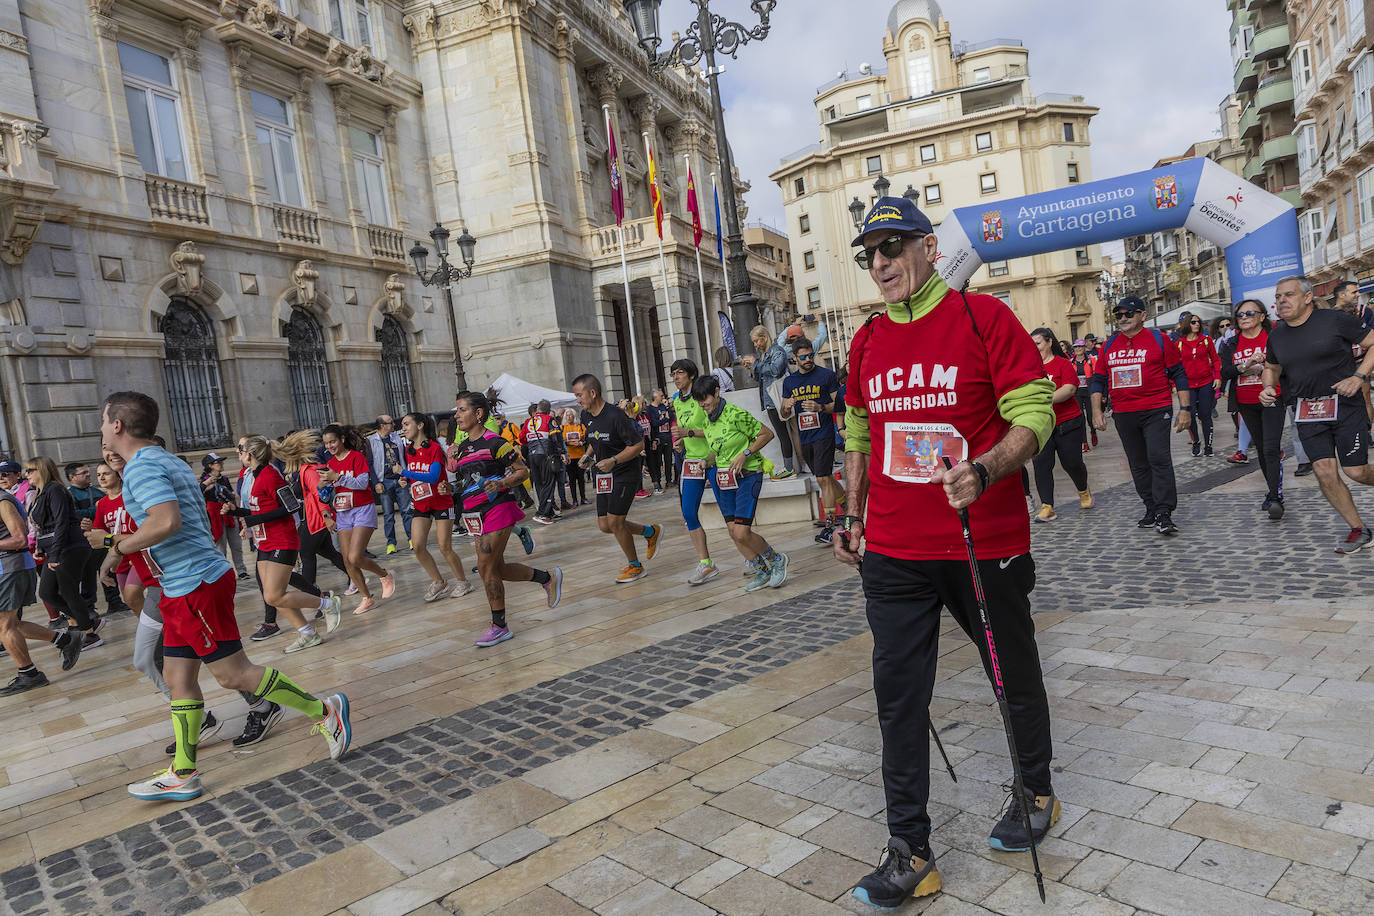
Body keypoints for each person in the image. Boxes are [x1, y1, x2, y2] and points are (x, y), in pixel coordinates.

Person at [835, 195, 1059, 907]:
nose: (881, 263)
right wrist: (851, 513)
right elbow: (860, 434)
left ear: (929, 247)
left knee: (1009, 671)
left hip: (980, 540)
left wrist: (986, 470)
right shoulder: (867, 341)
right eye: (870, 253)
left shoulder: (982, 317)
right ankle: (911, 851)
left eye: (894, 246)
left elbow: (1035, 411)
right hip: (895, 553)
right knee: (898, 699)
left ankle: (1036, 788)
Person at [99, 392, 351, 801]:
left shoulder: (143, 467)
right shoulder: (162, 461)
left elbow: (165, 521)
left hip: (193, 584)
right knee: (178, 679)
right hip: (182, 585)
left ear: (117, 426)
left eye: (103, 420)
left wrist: (116, 546)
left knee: (233, 673)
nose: (101, 427)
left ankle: (326, 712)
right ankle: (183, 772)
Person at [1261, 276, 1374, 552]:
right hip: (1307, 410)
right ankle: (1358, 529)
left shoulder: (1334, 320)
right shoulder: (1277, 334)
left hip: (1344, 404)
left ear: (1308, 297)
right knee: (1324, 472)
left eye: (1288, 295)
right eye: (1277, 297)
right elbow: (1272, 366)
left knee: (1356, 470)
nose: (1281, 301)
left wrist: (1359, 377)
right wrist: (1267, 387)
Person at [450, 391, 562, 647]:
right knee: (495, 568)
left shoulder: (496, 442)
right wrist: (452, 489)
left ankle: (499, 626)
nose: (456, 415)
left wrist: (500, 482)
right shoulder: (465, 447)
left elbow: (523, 471)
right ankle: (547, 578)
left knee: (485, 566)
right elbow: (467, 481)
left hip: (499, 507)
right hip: (474, 514)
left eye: (461, 410)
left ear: (478, 414)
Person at [225, 435, 342, 653]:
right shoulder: (253, 475)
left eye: (240, 450)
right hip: (264, 541)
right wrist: (237, 512)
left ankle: (326, 603)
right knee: (273, 595)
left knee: (273, 595)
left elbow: (290, 507)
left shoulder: (270, 475)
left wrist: (253, 520)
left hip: (282, 540)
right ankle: (308, 633)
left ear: (249, 454)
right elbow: (260, 510)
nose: (238, 453)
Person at [1090, 296, 1192, 535]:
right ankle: (1151, 507)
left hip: (1156, 409)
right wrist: (1096, 412)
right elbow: (1098, 380)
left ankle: (1164, 511)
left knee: (1158, 458)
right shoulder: (1108, 345)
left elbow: (1179, 373)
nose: (1123, 319)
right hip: (1124, 414)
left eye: (1129, 314)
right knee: (1138, 464)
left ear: (1142, 316)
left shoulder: (1160, 339)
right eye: (1119, 315)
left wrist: (1185, 409)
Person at [692, 374, 789, 591]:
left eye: (705, 399)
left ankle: (776, 560)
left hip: (748, 475)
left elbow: (766, 434)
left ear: (716, 392)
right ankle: (762, 571)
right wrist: (705, 460)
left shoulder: (735, 414)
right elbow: (715, 451)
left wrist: (745, 453)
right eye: (699, 401)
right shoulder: (708, 421)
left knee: (742, 532)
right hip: (725, 480)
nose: (702, 405)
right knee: (732, 531)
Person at [572, 374, 661, 583]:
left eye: (579, 395)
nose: (577, 400)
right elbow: (595, 438)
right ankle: (650, 532)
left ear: (592, 393)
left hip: (625, 472)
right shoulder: (586, 416)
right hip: (604, 475)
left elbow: (638, 445)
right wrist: (588, 455)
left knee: (615, 521)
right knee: (605, 525)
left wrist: (613, 460)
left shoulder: (616, 416)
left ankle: (635, 566)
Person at [0, 474, 83, 695]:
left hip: (11, 568)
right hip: (6, 569)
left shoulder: (2, 501)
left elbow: (19, 539)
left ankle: (29, 675)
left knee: (5, 625)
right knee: (11, 625)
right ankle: (64, 640)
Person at [395, 411, 474, 602]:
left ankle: (463, 581)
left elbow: (432, 476)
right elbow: (417, 474)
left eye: (406, 424)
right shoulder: (408, 450)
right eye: (403, 425)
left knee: (444, 546)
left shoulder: (434, 448)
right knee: (418, 546)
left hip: (441, 501)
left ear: (420, 425)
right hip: (421, 502)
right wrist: (405, 478)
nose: (403, 428)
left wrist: (404, 471)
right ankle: (438, 581)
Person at [320, 424, 396, 614]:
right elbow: (328, 492)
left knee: (355, 556)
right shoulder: (329, 464)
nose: (329, 446)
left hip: (362, 509)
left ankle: (384, 575)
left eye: (333, 441)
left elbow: (362, 484)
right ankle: (367, 597)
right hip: (343, 512)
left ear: (342, 439)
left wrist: (337, 477)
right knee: (347, 561)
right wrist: (324, 490)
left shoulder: (356, 457)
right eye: (326, 443)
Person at [27, 457, 103, 647]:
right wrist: (40, 548)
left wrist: (53, 553)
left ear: (42, 470)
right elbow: (41, 526)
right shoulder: (39, 493)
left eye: (30, 470)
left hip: (69, 546)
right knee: (47, 592)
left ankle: (90, 634)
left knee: (68, 591)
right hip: (55, 548)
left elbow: (61, 522)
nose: (26, 474)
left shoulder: (55, 489)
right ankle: (88, 620)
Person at [1220, 300, 1285, 520]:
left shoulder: (1274, 337)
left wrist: (1265, 368)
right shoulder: (1231, 343)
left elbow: (1286, 364)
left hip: (1272, 397)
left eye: (1250, 313)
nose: (1244, 317)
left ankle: (1276, 497)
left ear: (1262, 316)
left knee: (1270, 448)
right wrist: (1245, 367)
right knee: (1261, 448)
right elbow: (1225, 371)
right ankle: (1272, 489)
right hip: (1246, 402)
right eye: (1240, 314)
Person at [779, 337, 843, 543]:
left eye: (810, 355)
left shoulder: (827, 375)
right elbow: (783, 412)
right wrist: (786, 406)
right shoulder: (789, 382)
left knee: (823, 478)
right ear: (795, 358)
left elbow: (839, 405)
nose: (808, 359)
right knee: (826, 478)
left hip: (824, 433)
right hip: (804, 436)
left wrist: (821, 407)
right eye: (803, 357)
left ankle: (831, 526)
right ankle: (849, 507)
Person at [1029, 328, 1092, 521]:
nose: (1035, 347)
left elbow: (1069, 389)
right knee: (1041, 465)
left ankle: (1083, 491)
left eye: (1038, 343)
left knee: (1072, 463)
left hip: (1067, 422)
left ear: (1049, 342)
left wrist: (1042, 400)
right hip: (1041, 425)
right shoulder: (1029, 367)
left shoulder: (1062, 363)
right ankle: (1047, 506)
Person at [668, 359, 721, 586]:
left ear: (691, 376)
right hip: (690, 461)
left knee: (728, 511)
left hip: (714, 458)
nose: (676, 377)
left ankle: (751, 557)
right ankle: (706, 563)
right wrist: (681, 441)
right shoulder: (676, 400)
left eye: (680, 373)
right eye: (673, 373)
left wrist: (688, 432)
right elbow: (683, 427)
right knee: (689, 512)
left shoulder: (702, 394)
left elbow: (714, 430)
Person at [68, 462, 129, 618]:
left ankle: (114, 601)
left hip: (113, 541)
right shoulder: (69, 494)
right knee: (87, 573)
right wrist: (94, 511)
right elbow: (74, 514)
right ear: (72, 477)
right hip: (84, 541)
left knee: (113, 574)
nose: (90, 476)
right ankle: (88, 606)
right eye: (84, 473)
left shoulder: (98, 493)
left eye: (89, 472)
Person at [739, 326, 798, 478]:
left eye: (756, 341)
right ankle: (791, 466)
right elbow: (762, 378)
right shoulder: (766, 354)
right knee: (783, 434)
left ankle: (791, 468)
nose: (755, 345)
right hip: (771, 400)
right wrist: (752, 369)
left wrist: (756, 363)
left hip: (779, 398)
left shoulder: (777, 351)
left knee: (788, 434)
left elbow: (775, 370)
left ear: (764, 337)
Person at [364, 416, 413, 555]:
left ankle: (411, 539)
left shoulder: (397, 438)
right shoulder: (371, 440)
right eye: (390, 423)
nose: (393, 424)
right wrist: (376, 482)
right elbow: (370, 464)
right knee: (388, 514)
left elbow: (403, 457)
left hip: (399, 479)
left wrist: (405, 474)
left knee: (406, 510)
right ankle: (391, 542)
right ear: (382, 425)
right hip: (384, 480)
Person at [1178, 315, 1222, 457]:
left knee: (1205, 414)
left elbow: (1216, 359)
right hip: (1188, 385)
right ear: (1186, 324)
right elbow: (1174, 366)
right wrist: (1174, 384)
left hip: (1205, 383)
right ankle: (1196, 442)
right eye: (1193, 322)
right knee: (1189, 415)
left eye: (1198, 322)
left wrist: (1218, 378)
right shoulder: (1179, 344)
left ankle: (1208, 446)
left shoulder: (1206, 340)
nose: (1197, 324)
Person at [200, 455, 249, 579]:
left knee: (236, 543)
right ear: (210, 465)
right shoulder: (204, 481)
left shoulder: (225, 479)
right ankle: (224, 572)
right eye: (218, 462)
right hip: (215, 516)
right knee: (220, 546)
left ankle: (241, 570)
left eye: (221, 462)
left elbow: (232, 495)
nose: (221, 464)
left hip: (229, 512)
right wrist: (206, 488)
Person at [1333, 280, 1374, 423]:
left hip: (1361, 362)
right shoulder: (1330, 315)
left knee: (1365, 395)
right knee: (1344, 399)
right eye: (1354, 292)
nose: (1358, 294)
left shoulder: (1364, 311)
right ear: (1342, 295)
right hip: (1339, 364)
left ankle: (1367, 432)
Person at [521, 400, 559, 523]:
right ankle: (542, 514)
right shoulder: (549, 419)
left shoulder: (528, 421)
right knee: (548, 483)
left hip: (532, 456)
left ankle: (549, 512)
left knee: (540, 485)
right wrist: (561, 453)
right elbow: (555, 437)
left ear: (537, 410)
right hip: (545, 455)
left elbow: (522, 439)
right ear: (548, 410)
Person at [1069, 339, 1098, 450]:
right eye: (1076, 347)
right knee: (1080, 418)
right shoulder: (1070, 362)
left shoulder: (1091, 360)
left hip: (1089, 392)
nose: (1078, 349)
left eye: (1080, 347)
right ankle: (1084, 442)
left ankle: (1093, 431)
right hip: (1077, 393)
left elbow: (1096, 376)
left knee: (1090, 418)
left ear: (1084, 348)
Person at [648, 389, 675, 493]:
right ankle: (658, 481)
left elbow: (671, 417)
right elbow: (654, 423)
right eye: (661, 396)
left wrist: (667, 407)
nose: (663, 398)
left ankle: (669, 480)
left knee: (668, 460)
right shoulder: (650, 409)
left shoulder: (663, 406)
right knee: (658, 462)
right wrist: (665, 419)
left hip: (667, 436)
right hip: (658, 438)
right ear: (655, 397)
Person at [561, 408, 588, 506]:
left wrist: (581, 442)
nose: (568, 417)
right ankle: (574, 500)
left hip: (580, 455)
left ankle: (583, 498)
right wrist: (568, 443)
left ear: (574, 416)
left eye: (570, 415)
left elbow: (587, 439)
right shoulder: (562, 427)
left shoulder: (581, 426)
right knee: (572, 479)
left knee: (581, 478)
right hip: (569, 457)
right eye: (567, 415)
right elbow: (560, 441)